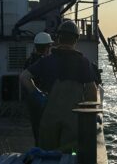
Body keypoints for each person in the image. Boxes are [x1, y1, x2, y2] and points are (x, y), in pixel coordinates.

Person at [20, 20, 97, 152]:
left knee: (47, 155)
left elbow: (24, 77)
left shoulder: (46, 60)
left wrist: (38, 95)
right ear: (76, 40)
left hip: (49, 117)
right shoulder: (83, 62)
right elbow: (91, 90)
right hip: (73, 119)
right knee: (69, 155)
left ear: (58, 38)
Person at [23, 32, 53, 145]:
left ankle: (38, 147)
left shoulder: (28, 61)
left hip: (32, 100)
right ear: (47, 47)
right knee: (47, 127)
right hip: (44, 100)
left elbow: (24, 79)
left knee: (36, 126)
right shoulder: (46, 62)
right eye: (50, 46)